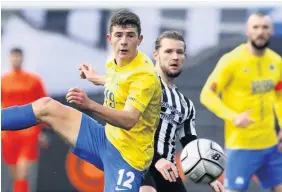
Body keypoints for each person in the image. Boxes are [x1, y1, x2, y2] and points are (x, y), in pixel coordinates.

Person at [1, 10, 162, 192]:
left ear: (139, 40)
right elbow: (121, 81)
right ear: (110, 38)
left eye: (130, 36)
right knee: (46, 107)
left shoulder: (145, 76)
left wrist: (90, 105)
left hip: (128, 159)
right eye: (119, 35)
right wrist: (97, 78)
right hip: (104, 139)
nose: (124, 41)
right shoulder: (116, 60)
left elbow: (129, 120)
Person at [200, 12, 282, 192]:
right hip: (241, 146)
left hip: (270, 145)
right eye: (256, 27)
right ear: (247, 31)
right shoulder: (231, 61)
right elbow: (207, 95)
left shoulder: (276, 62)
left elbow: (279, 96)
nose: (260, 32)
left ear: (271, 31)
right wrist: (233, 116)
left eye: (265, 27)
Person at [136, 31, 224, 192]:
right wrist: (155, 159)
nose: (175, 57)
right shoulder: (142, 84)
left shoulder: (185, 105)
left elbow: (190, 144)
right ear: (156, 55)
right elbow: (129, 128)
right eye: (169, 51)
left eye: (179, 52)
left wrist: (210, 176)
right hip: (138, 162)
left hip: (167, 170)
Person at [1, 48, 49, 192]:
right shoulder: (3, 81)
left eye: (18, 57)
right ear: (10, 59)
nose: (16, 60)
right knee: (15, 174)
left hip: (29, 132)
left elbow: (44, 104)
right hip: (8, 134)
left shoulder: (34, 80)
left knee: (23, 171)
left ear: (22, 58)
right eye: (13, 57)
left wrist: (44, 130)